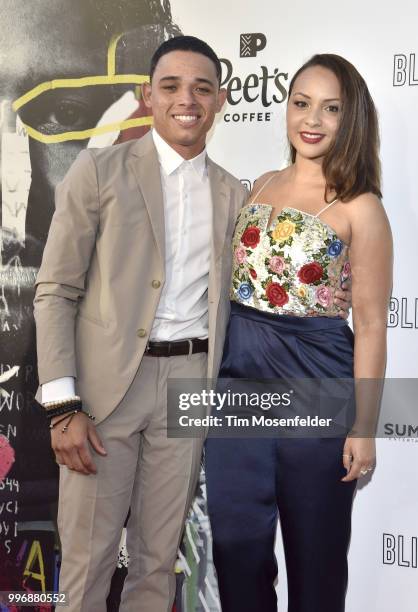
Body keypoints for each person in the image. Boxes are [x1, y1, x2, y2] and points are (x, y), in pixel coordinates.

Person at [33, 35, 244, 611]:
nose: (187, 100)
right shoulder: (99, 170)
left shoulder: (234, 193)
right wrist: (62, 404)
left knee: (158, 562)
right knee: (87, 562)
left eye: (202, 88)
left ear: (220, 100)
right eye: (171, 86)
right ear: (146, 95)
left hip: (189, 388)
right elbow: (55, 290)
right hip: (104, 396)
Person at [205, 53, 393, 612]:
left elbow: (374, 324)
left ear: (350, 117)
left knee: (316, 562)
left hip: (317, 393)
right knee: (237, 557)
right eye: (301, 103)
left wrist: (364, 427)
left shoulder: (361, 206)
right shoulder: (259, 186)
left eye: (330, 108)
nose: (311, 119)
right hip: (238, 395)